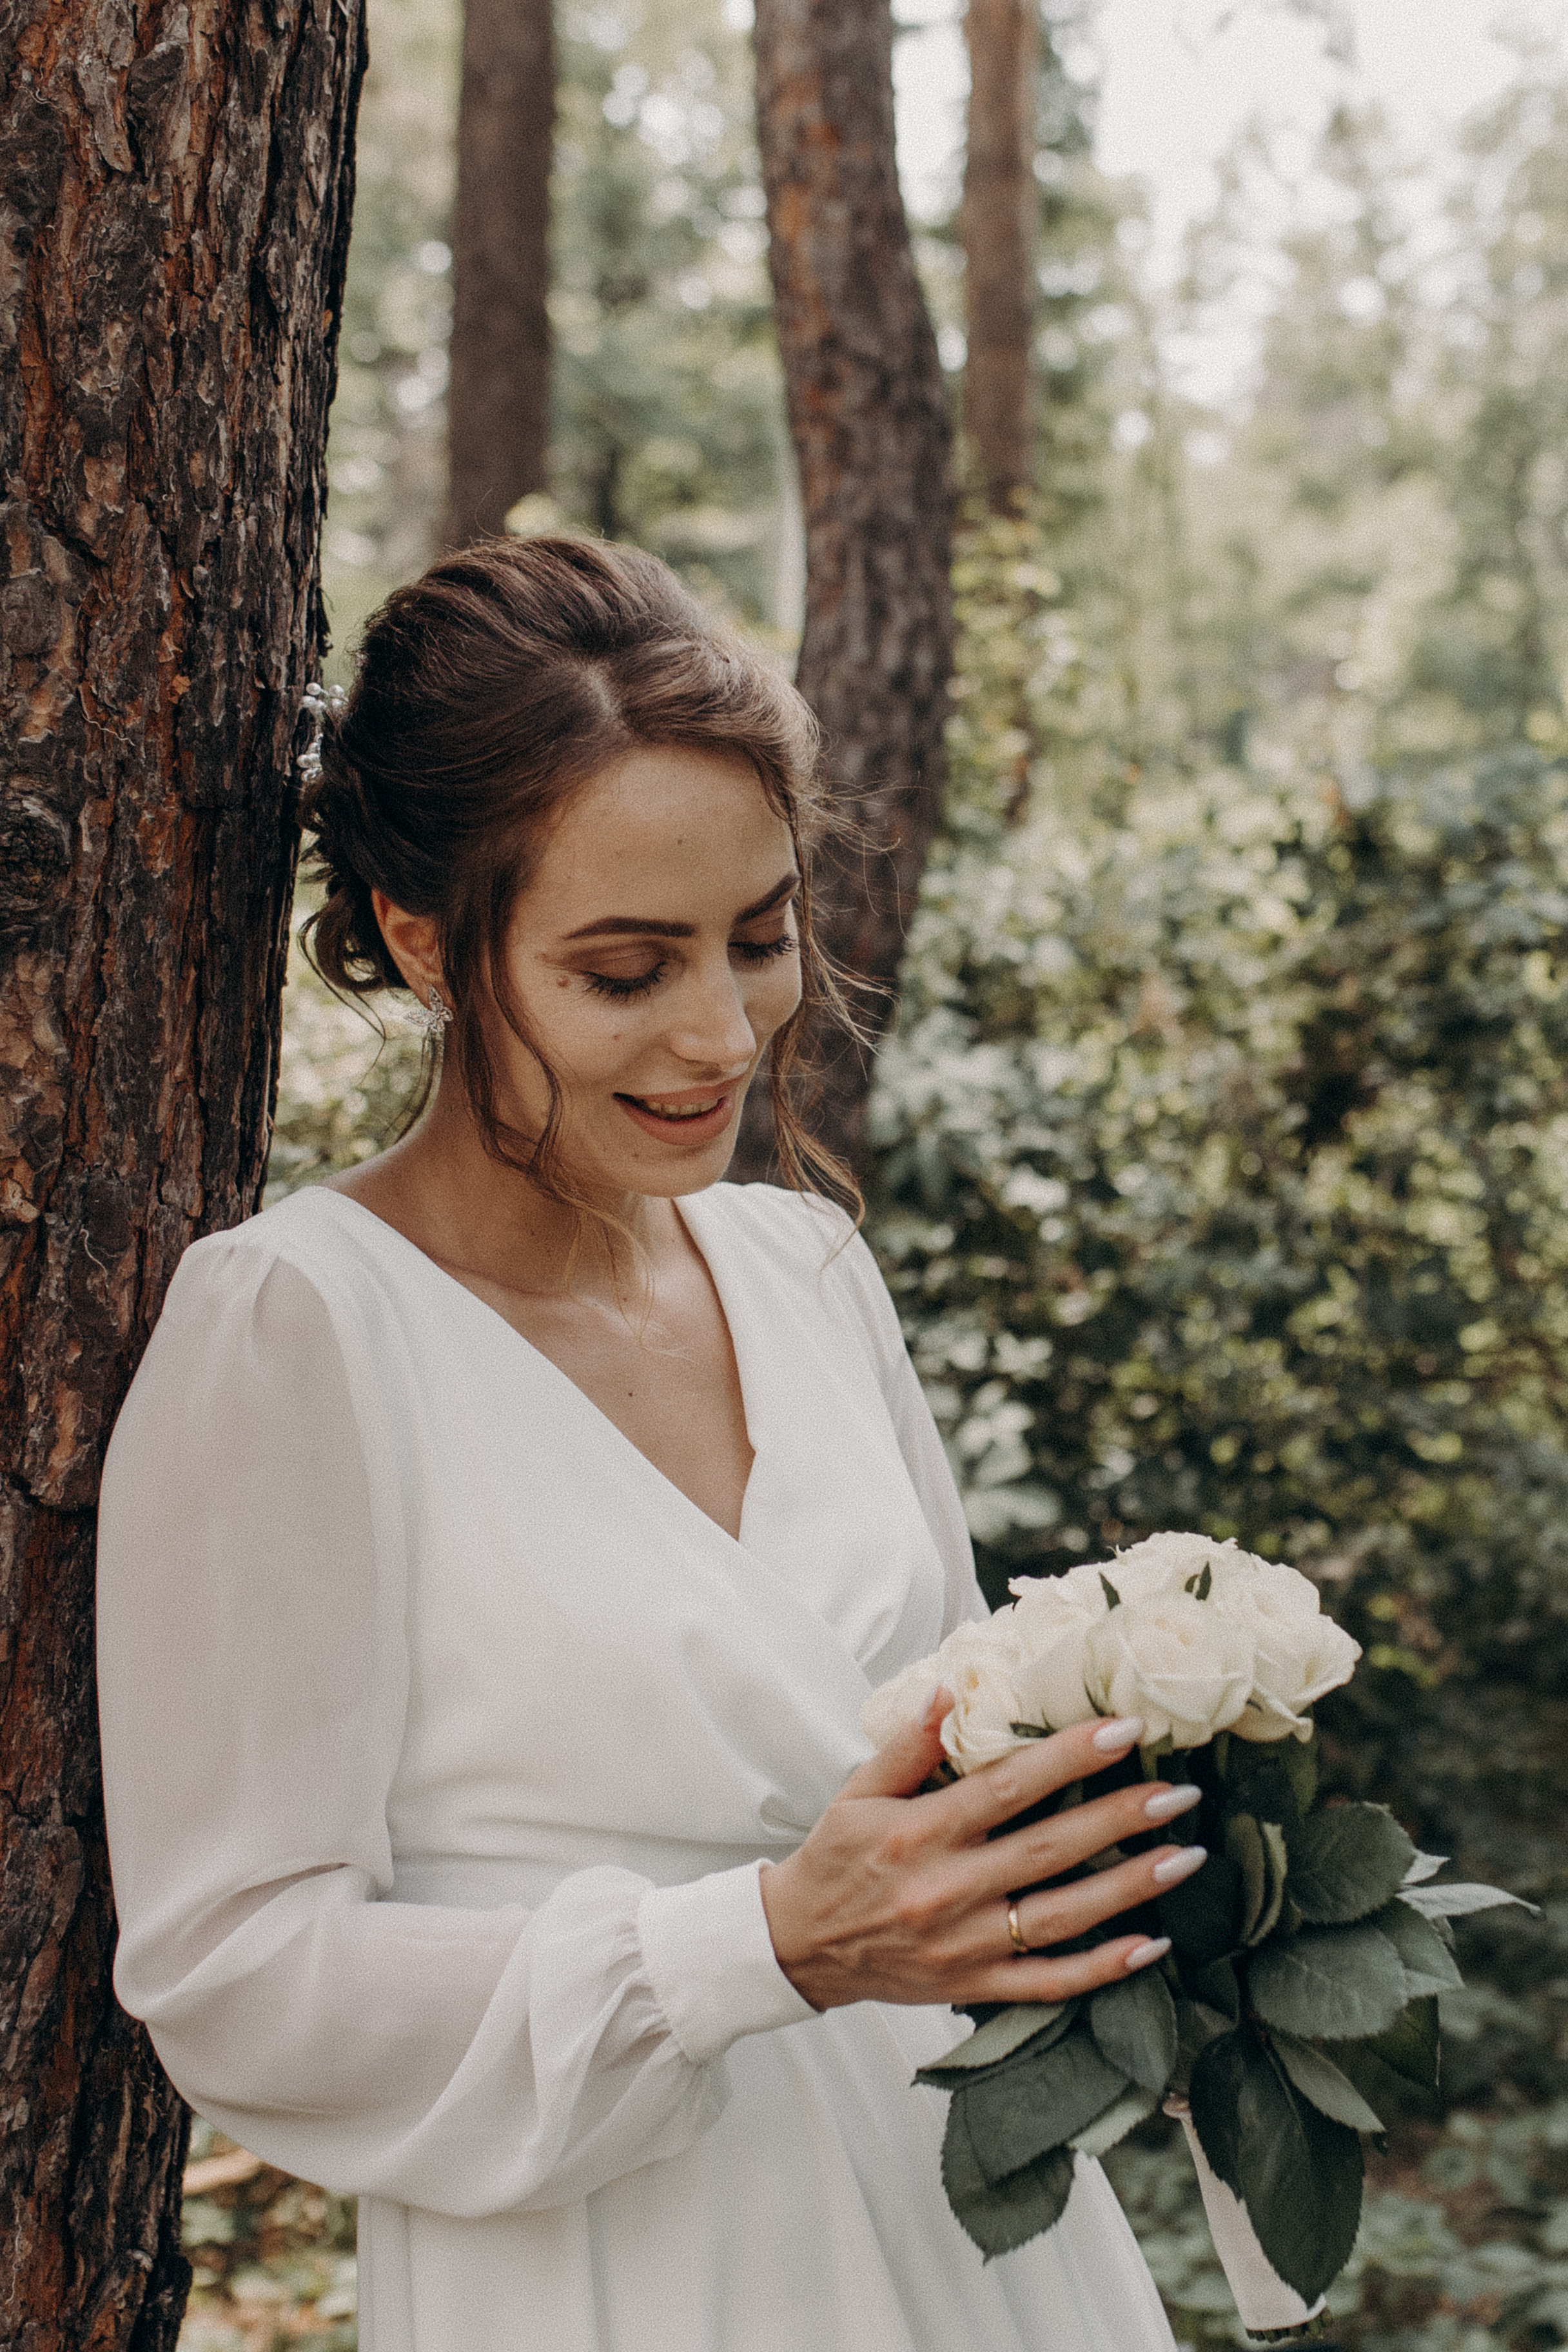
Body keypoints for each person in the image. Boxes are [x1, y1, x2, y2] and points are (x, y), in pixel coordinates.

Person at [96, 537, 1202, 2352]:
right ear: (423, 942)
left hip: (987, 2240)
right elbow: (234, 1977)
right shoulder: (298, 1329)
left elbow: (941, 1749)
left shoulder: (803, 1265)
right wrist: (750, 1949)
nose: (720, 1035)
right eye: (625, 970)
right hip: (624, 2265)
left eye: (760, 940)